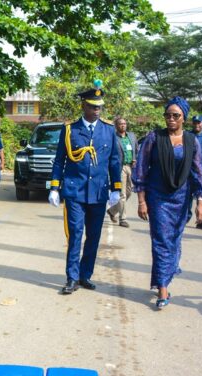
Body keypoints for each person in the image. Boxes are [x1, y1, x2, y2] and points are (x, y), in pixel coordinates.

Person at [133, 96, 202, 309]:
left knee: (174, 240)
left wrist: (200, 202)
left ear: (184, 118)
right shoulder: (154, 138)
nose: (171, 119)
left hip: (182, 199)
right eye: (168, 115)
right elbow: (141, 170)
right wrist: (141, 201)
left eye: (176, 115)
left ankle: (166, 275)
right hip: (158, 198)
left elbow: (199, 173)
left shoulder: (193, 141)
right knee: (161, 241)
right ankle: (163, 288)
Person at [48, 82, 121, 295]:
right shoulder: (70, 129)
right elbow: (59, 160)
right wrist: (54, 187)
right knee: (75, 234)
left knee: (94, 235)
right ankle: (72, 277)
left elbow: (115, 161)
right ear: (84, 106)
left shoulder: (108, 130)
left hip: (98, 192)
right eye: (92, 106)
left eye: (99, 107)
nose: (96, 110)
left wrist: (116, 188)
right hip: (74, 191)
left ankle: (84, 275)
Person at [107, 117, 137, 228]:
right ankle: (123, 219)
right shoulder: (113, 137)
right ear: (116, 125)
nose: (123, 125)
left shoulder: (132, 136)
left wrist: (135, 159)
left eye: (124, 123)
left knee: (129, 192)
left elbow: (136, 150)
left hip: (130, 167)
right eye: (120, 124)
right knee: (122, 194)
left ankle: (112, 211)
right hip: (119, 168)